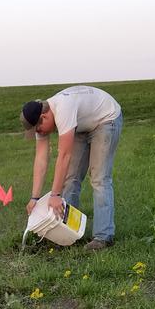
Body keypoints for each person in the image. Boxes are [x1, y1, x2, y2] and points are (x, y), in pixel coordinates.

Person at [21, 85, 123, 251]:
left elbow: (64, 156)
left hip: (106, 119)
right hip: (82, 124)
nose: (39, 133)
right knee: (70, 179)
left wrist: (55, 195)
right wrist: (34, 198)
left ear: (44, 116)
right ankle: (68, 232)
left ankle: (103, 237)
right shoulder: (43, 119)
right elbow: (41, 160)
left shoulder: (63, 109)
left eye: (38, 129)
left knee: (99, 179)